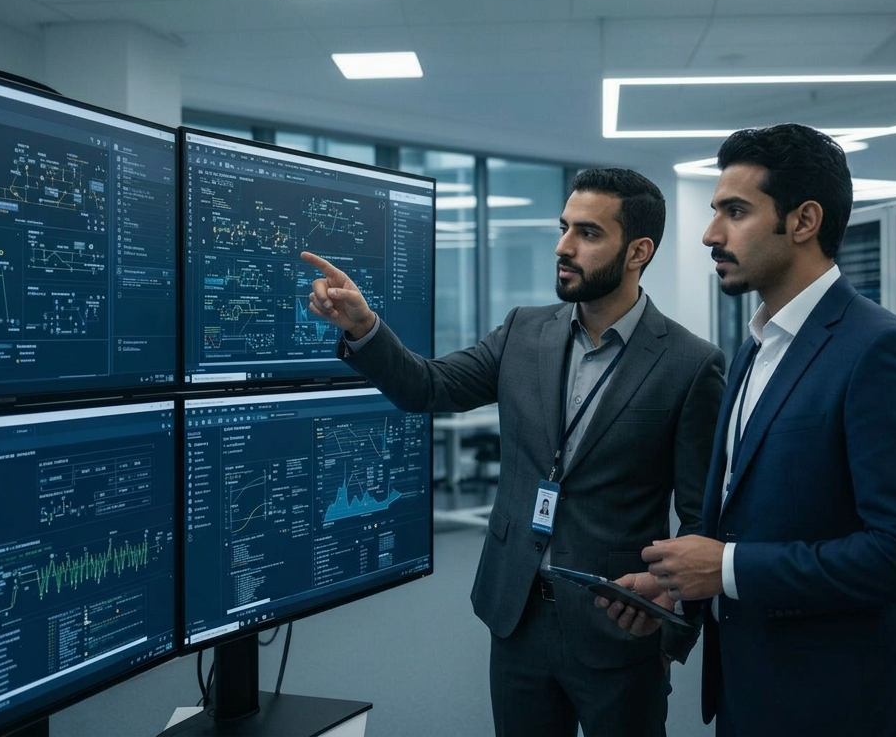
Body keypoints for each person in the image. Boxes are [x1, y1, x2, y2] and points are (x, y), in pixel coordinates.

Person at [302, 167, 725, 737]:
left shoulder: (688, 363)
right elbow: (427, 386)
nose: (564, 247)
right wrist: (365, 326)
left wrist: (672, 613)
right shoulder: (524, 332)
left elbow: (703, 518)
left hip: (618, 623)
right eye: (563, 228)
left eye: (588, 233)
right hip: (517, 612)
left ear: (637, 251)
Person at [600, 124, 896, 736]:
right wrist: (679, 589)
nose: (711, 235)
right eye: (715, 213)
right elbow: (748, 515)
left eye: (735, 212)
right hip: (750, 688)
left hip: (835, 705)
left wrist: (729, 569)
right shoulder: (756, 347)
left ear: (804, 220)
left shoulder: (881, 352)